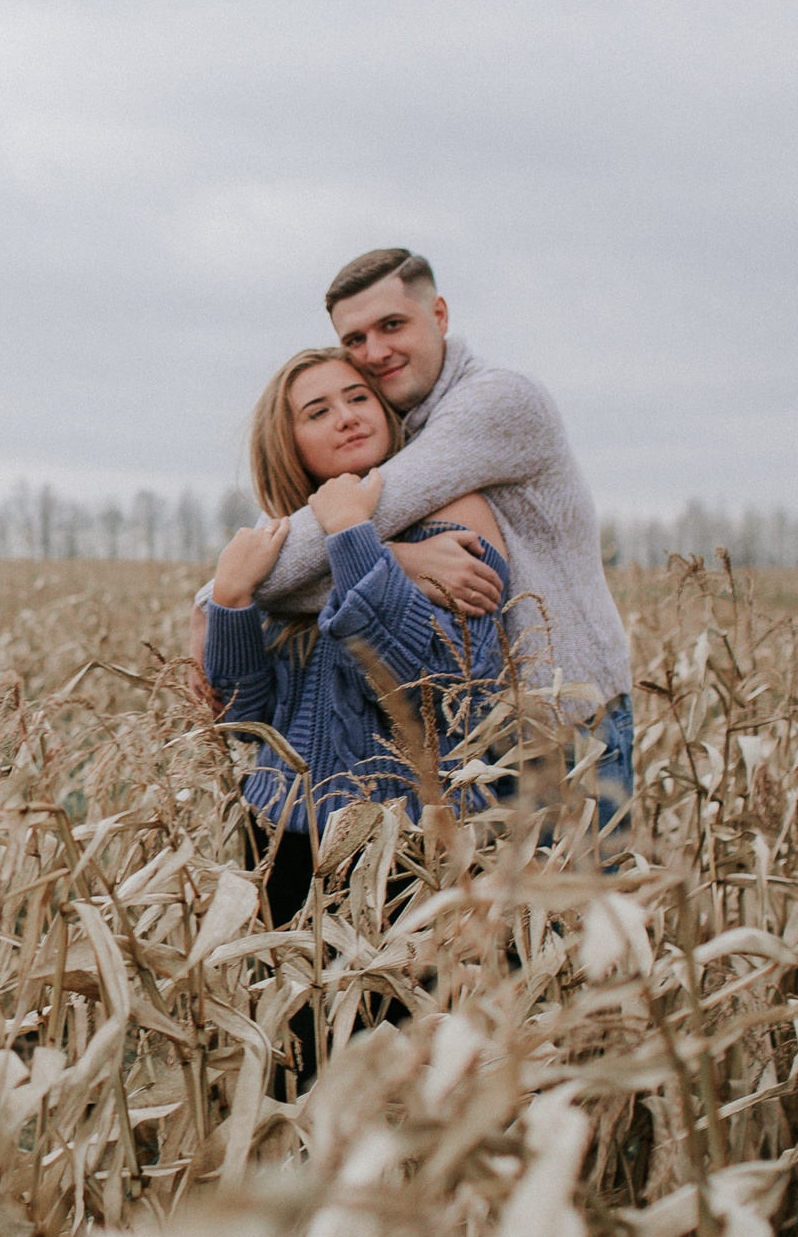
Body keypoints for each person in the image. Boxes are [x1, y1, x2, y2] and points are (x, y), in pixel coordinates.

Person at [193, 345, 511, 1091]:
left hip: (403, 855)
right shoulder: (287, 552)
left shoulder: (457, 517)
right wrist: (233, 602)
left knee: (407, 1088)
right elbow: (245, 720)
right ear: (289, 442)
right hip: (283, 850)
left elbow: (431, 689)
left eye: (358, 397)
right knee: (298, 1077)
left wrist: (357, 540)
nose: (345, 418)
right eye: (317, 411)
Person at [244, 250, 633, 832]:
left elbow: (289, 560)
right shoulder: (401, 427)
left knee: (576, 921)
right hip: (478, 743)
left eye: (392, 325)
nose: (375, 352)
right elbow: (338, 536)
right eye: (355, 338)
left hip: (569, 732)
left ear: (441, 315)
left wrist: (227, 589)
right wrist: (402, 559)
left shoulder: (492, 403)